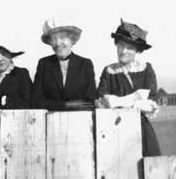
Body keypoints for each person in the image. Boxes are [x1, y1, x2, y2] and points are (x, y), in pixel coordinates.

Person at [97, 18, 161, 157]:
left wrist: (118, 102)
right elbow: (102, 101)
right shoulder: (108, 71)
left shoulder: (146, 70)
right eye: (120, 45)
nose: (124, 51)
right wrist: (136, 101)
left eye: (129, 47)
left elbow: (150, 102)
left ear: (137, 50)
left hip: (142, 129)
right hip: (115, 130)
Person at [32, 18, 96, 111]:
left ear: (72, 39)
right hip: (50, 122)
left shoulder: (85, 64)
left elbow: (90, 102)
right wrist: (66, 105)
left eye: (62, 37)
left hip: (79, 121)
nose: (58, 43)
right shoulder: (44, 64)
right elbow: (36, 101)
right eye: (53, 39)